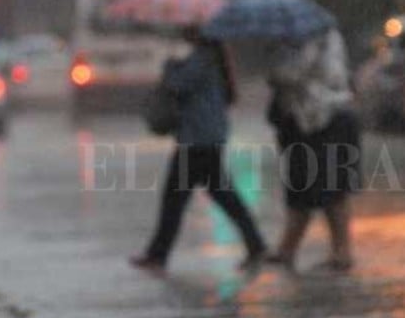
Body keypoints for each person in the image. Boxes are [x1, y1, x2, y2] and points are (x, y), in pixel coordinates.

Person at [130, 26, 268, 273]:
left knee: (175, 199)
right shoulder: (213, 59)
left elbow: (177, 85)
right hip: (207, 139)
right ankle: (256, 245)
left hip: (197, 141)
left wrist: (170, 66)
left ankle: (157, 255)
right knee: (223, 196)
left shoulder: (201, 60)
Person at [264, 28, 361, 271]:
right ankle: (288, 248)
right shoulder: (302, 39)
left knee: (332, 189)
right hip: (305, 123)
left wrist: (277, 70)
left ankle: (342, 251)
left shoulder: (318, 38)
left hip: (326, 120)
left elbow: (296, 72)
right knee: (301, 189)